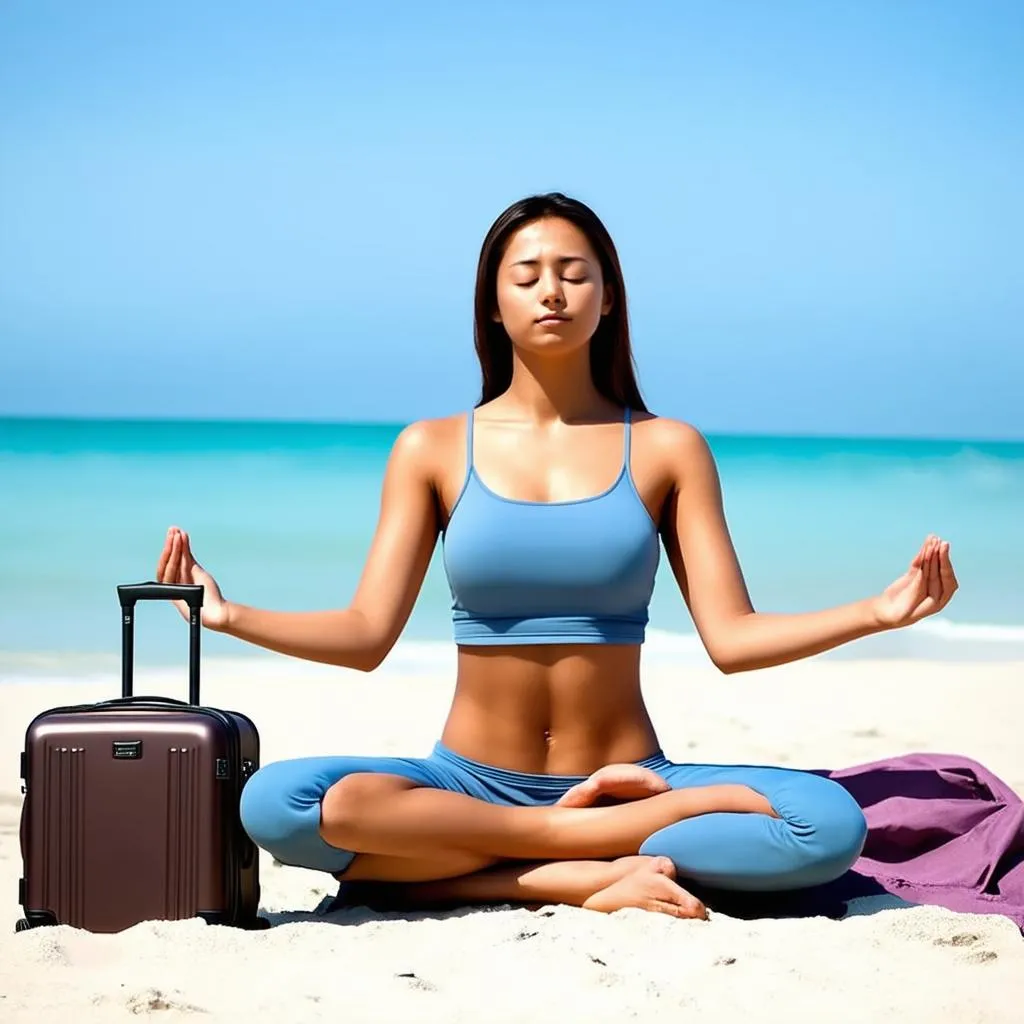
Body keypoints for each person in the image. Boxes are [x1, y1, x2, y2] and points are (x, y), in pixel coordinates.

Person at [155, 192, 958, 920]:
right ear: (493, 305)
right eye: (528, 274)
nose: (552, 291)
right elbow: (367, 635)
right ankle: (569, 864)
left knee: (830, 827)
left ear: (607, 301)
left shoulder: (666, 448)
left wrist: (876, 613)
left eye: (575, 274)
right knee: (276, 802)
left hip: (628, 778)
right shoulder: (430, 449)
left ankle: (492, 866)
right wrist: (227, 616)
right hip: (470, 780)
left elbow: (732, 638)